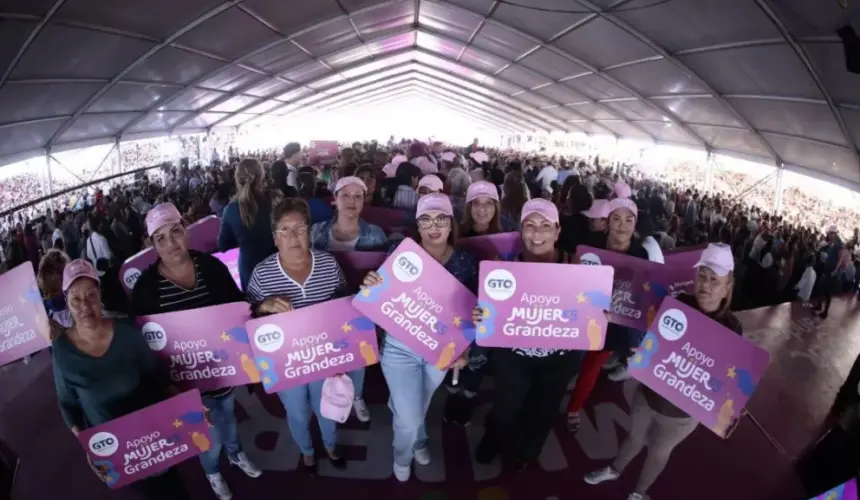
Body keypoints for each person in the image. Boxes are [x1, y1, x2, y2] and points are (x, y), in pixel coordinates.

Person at [584, 243, 741, 500]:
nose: (706, 285)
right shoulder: (678, 303)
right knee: (634, 437)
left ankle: (639, 492)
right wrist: (624, 327)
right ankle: (615, 469)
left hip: (682, 413)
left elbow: (726, 381)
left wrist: (729, 405)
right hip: (649, 393)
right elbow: (650, 328)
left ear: (727, 287)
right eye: (702, 276)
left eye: (714, 280)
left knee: (659, 450)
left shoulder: (732, 329)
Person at [130, 203, 261, 500]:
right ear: (152, 244)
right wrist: (165, 387)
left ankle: (236, 453)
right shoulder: (147, 289)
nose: (171, 243)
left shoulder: (211, 268)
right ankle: (213, 471)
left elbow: (237, 308)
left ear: (185, 230)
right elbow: (144, 346)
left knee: (228, 417)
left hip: (222, 374)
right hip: (184, 386)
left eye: (175, 232)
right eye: (160, 238)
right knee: (207, 435)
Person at [51, 259, 191, 500]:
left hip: (156, 435)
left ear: (100, 295)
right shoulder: (62, 350)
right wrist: (89, 445)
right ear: (67, 302)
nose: (84, 305)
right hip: (118, 449)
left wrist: (189, 410)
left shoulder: (127, 330)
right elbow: (68, 404)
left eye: (90, 296)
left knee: (174, 488)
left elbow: (158, 377)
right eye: (76, 299)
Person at [361, 193, 473, 482]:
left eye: (440, 219)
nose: (433, 226)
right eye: (425, 219)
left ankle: (419, 439)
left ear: (451, 223)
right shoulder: (400, 250)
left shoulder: (465, 262)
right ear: (418, 225)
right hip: (400, 346)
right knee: (409, 416)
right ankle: (402, 457)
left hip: (440, 349)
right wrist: (372, 283)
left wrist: (465, 350)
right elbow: (381, 293)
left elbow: (472, 313)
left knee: (417, 404)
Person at [473, 198, 583, 469]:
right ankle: (493, 438)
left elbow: (590, 314)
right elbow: (490, 312)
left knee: (543, 411)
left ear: (558, 232)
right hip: (514, 356)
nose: (537, 233)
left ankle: (527, 452)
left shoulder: (577, 268)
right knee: (505, 407)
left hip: (560, 359)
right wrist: (481, 314)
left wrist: (598, 315)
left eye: (546, 226)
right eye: (530, 225)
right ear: (521, 230)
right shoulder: (503, 267)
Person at [246, 198, 349, 474]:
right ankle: (307, 452)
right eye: (285, 230)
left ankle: (330, 445)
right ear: (275, 238)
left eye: (300, 228)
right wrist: (262, 306)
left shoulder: (328, 265)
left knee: (326, 406)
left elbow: (345, 308)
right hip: (285, 362)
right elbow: (247, 318)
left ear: (310, 232)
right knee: (298, 411)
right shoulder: (262, 274)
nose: (293, 237)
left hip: (323, 357)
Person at [567, 197, 651, 432]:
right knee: (570, 360)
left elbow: (640, 293)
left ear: (635, 224)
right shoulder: (591, 244)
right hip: (584, 313)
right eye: (616, 219)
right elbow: (574, 278)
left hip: (615, 321)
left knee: (592, 367)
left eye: (628, 220)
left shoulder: (640, 253)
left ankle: (573, 408)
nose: (622, 226)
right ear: (607, 222)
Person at [310, 176, 388, 422]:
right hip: (324, 305)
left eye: (358, 196)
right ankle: (330, 396)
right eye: (345, 195)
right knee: (326, 354)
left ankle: (357, 396)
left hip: (361, 307)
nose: (351, 201)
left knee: (359, 356)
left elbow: (384, 277)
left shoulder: (376, 235)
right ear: (335, 199)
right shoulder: (316, 232)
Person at [218, 158, 280, 291]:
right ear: (262, 175)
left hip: (249, 268)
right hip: (278, 263)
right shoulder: (276, 199)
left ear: (237, 178)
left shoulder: (231, 209)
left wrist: (242, 237)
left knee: (256, 307)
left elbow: (222, 245)